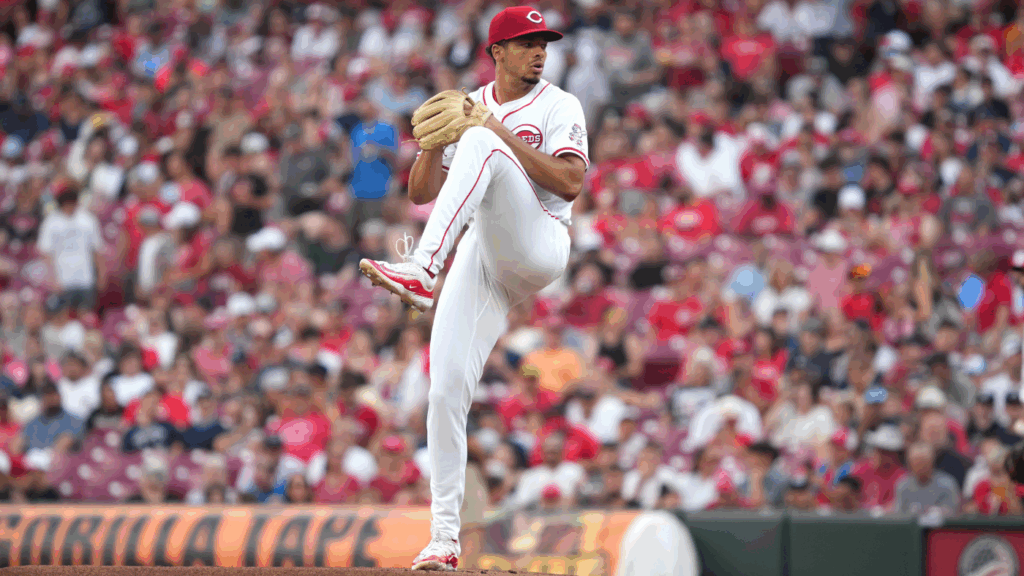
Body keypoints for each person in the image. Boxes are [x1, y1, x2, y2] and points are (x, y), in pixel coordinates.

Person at [357, 7, 588, 571]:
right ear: (497, 52)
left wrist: (491, 131)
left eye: (543, 42)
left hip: (539, 241)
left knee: (484, 142)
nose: (539, 51)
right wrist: (433, 141)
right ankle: (443, 540)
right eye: (526, 42)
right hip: (482, 256)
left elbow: (571, 181)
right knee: (444, 392)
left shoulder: (559, 104)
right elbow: (419, 193)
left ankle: (423, 268)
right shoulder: (472, 105)